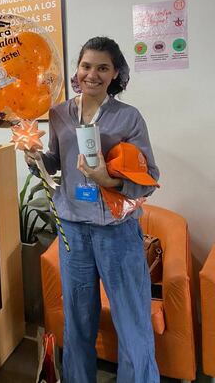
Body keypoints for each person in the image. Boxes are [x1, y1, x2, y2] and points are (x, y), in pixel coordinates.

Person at [25, 36, 160, 383]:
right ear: (77, 70)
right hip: (73, 232)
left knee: (133, 324)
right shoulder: (59, 114)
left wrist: (107, 180)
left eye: (103, 68)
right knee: (78, 323)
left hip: (117, 233)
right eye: (86, 66)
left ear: (115, 73)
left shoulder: (128, 118)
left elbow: (149, 179)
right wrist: (34, 157)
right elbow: (55, 162)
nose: (92, 74)